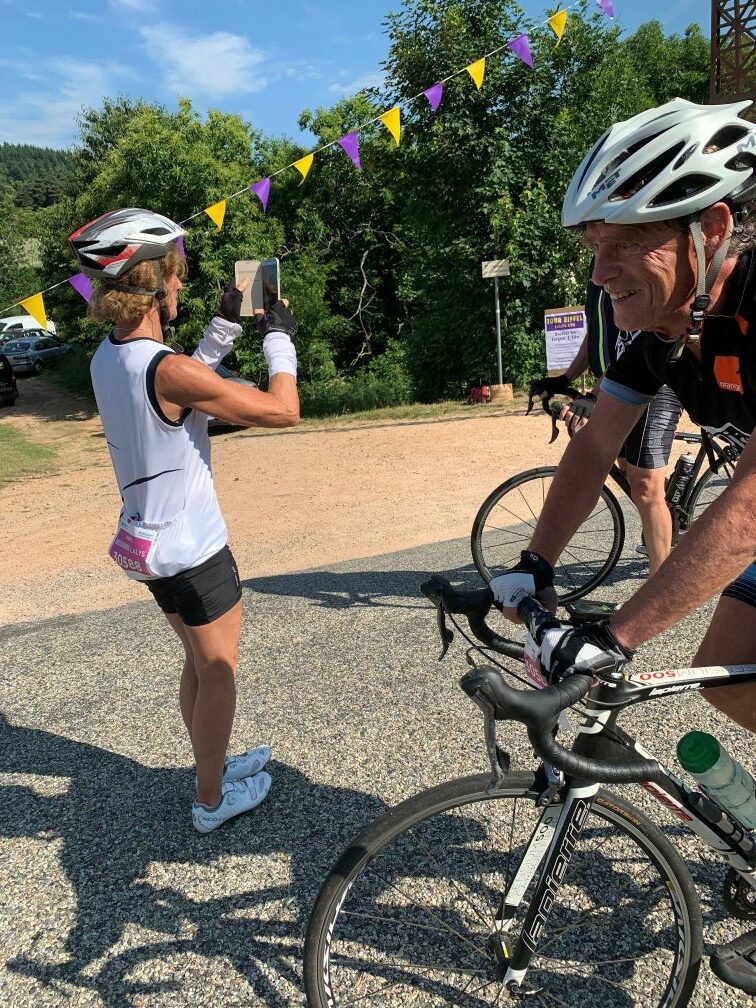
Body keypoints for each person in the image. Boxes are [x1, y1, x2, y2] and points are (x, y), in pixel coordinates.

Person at [489, 98, 756, 994]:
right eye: (593, 245)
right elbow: (596, 443)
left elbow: (750, 505)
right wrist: (532, 566)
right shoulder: (667, 327)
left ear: (709, 229)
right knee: (731, 672)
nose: (599, 272)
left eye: (623, 243)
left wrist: (617, 633)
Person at [69, 208, 300, 833]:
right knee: (218, 672)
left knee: (198, 663)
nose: (181, 282)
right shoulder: (168, 369)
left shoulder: (110, 357)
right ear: (150, 281)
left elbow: (177, 390)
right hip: (195, 551)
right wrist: (278, 336)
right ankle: (210, 798)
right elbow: (283, 410)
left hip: (151, 546)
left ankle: (211, 762)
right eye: (175, 273)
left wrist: (224, 326)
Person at [533, 276, 683, 574]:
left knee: (645, 486)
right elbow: (594, 334)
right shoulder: (598, 277)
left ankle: (661, 583)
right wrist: (564, 379)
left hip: (654, 381)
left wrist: (593, 395)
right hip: (614, 386)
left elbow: (638, 344)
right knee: (627, 469)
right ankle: (670, 511)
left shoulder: (626, 271)